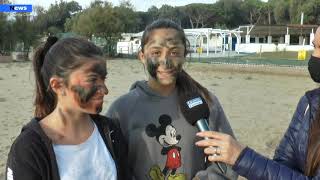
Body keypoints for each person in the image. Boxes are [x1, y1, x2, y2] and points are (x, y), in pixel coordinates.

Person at [106, 19, 238, 180]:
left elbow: (228, 162)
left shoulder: (206, 103)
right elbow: (111, 167)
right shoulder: (121, 110)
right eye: (156, 52)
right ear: (142, 56)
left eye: (174, 52)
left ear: (185, 55)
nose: (166, 61)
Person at [195, 26, 320, 179]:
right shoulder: (309, 103)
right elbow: (282, 162)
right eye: (315, 46)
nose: (315, 56)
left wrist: (242, 158)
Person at [5, 37, 128, 180]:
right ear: (57, 85)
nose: (105, 90)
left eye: (103, 79)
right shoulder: (29, 149)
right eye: (92, 80)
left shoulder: (111, 131)